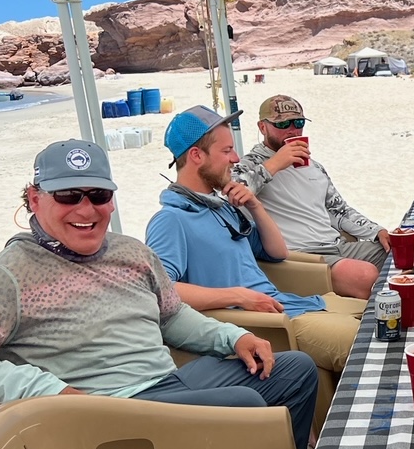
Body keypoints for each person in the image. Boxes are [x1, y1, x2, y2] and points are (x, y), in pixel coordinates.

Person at [0, 140, 318, 449]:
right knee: (244, 404)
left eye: (99, 194)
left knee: (295, 370)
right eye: (69, 196)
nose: (86, 209)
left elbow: (171, 318)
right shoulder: (11, 272)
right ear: (35, 199)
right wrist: (47, 391)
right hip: (107, 412)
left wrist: (232, 338)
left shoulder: (130, 252)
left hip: (167, 384)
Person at [145, 106, 364, 380]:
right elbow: (161, 292)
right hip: (267, 323)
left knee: (386, 312)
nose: (236, 159)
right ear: (196, 155)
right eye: (226, 151)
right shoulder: (171, 220)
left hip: (294, 304)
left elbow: (277, 252)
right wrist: (239, 296)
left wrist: (255, 205)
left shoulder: (221, 207)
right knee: (370, 342)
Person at [233, 94, 386, 298]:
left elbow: (339, 210)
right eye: (283, 124)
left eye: (298, 122)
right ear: (263, 127)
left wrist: (377, 231)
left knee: (402, 254)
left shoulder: (314, 166)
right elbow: (231, 193)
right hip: (301, 258)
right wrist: (275, 164)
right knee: (364, 276)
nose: (292, 130)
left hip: (336, 246)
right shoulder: (251, 164)